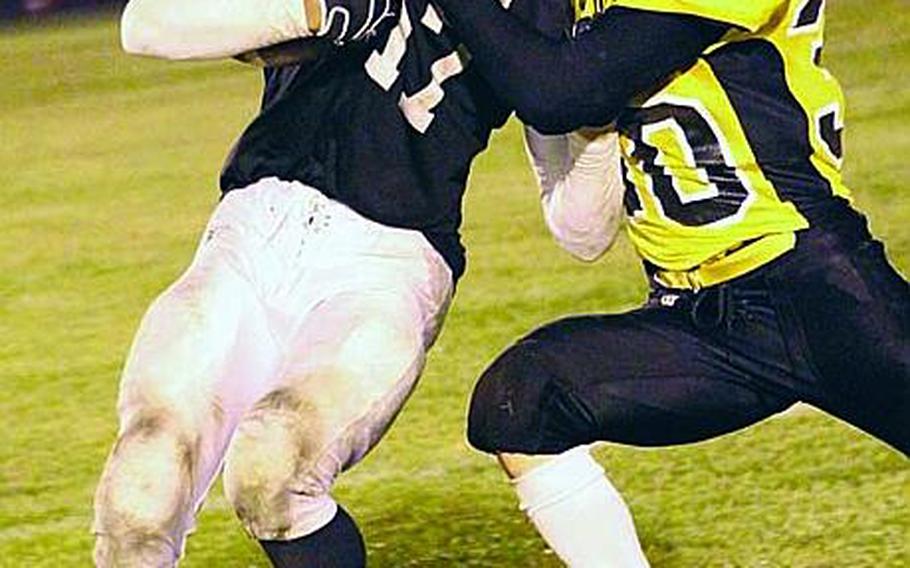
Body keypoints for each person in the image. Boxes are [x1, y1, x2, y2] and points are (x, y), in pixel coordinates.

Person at [90, 0, 624, 565]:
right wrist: (314, 13)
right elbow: (145, 25)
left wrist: (597, 120)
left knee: (273, 465)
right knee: (137, 496)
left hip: (387, 260)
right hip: (247, 236)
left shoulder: (548, 8)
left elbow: (583, 233)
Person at [426, 0, 910, 565]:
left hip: (813, 289)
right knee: (522, 401)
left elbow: (559, 91)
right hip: (700, 317)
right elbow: (580, 216)